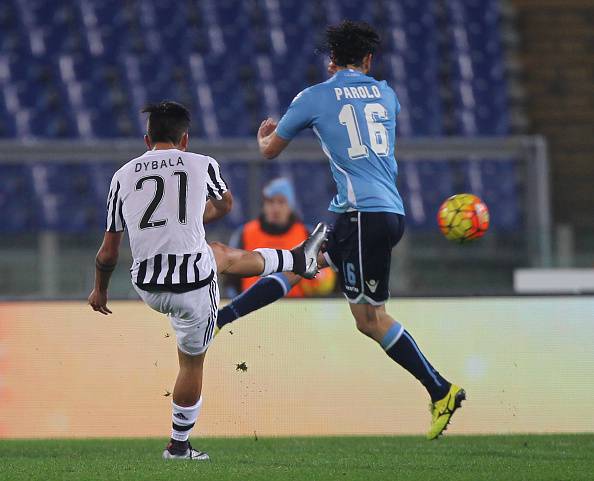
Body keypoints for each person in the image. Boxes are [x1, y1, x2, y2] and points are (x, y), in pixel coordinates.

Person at [228, 21, 465, 439]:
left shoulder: (314, 97)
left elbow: (269, 151)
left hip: (361, 216)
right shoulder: (387, 94)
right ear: (369, 60)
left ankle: (441, 389)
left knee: (370, 319)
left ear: (332, 60)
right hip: (377, 212)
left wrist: (263, 135)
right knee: (302, 259)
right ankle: (224, 316)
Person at [87, 101, 327, 460]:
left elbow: (108, 252)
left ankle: (297, 259)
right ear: (185, 139)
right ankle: (179, 446)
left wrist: (99, 290)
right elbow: (226, 204)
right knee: (191, 361)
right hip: (193, 287)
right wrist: (192, 218)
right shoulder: (202, 164)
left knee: (214, 251)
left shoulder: (122, 176)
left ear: (146, 139)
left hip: (148, 286)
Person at [217, 177, 335, 331]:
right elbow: (230, 281)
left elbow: (323, 278)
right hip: (249, 317)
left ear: (291, 205)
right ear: (264, 205)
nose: (275, 208)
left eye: (281, 202)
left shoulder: (307, 234)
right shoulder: (244, 234)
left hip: (298, 317)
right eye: (270, 202)